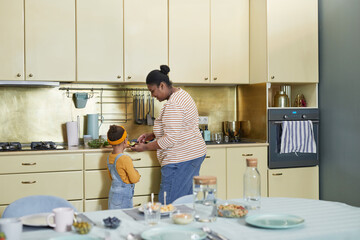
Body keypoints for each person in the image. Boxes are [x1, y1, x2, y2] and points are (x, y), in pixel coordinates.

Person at [131, 65, 206, 204]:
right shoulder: (182, 94)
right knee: (185, 202)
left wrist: (145, 147)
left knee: (169, 203)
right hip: (192, 155)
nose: (152, 95)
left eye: (153, 91)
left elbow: (170, 139)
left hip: (180, 159)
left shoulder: (174, 104)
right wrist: (152, 135)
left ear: (162, 85)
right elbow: (179, 127)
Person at [107, 125, 140, 209]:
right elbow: (134, 179)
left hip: (113, 194)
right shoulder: (125, 159)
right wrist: (137, 174)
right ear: (125, 141)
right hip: (123, 196)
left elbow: (111, 176)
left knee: (114, 218)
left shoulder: (110, 157)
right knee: (125, 217)